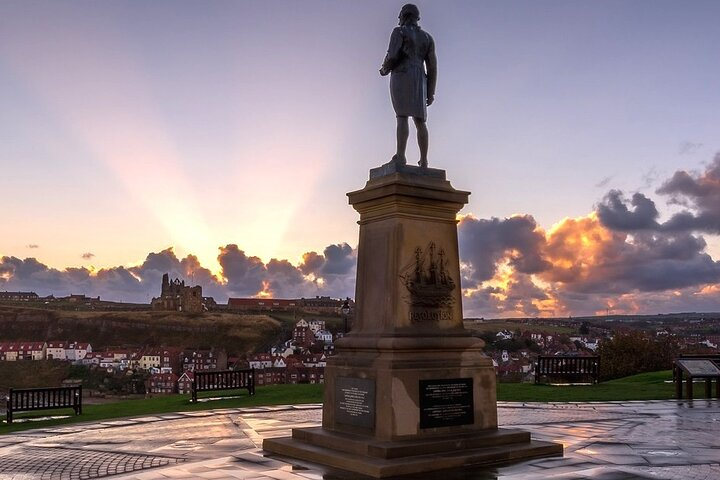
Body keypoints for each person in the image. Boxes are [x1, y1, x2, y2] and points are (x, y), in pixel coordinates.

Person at [380, 4, 437, 168]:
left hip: (402, 74)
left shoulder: (399, 31)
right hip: (420, 77)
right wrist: (430, 91)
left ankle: (400, 156)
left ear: (403, 16)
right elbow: (432, 66)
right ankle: (424, 160)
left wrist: (384, 69)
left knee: (402, 116)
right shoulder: (427, 38)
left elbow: (393, 55)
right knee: (420, 121)